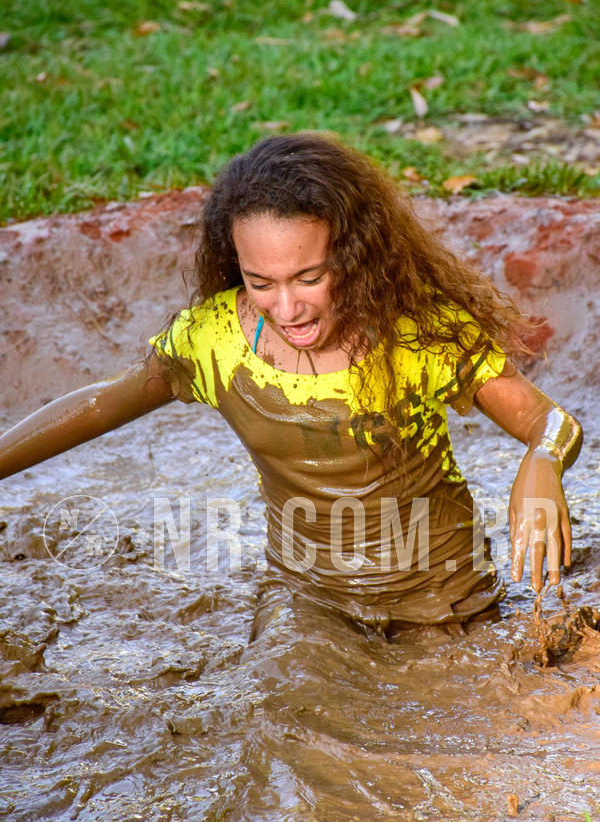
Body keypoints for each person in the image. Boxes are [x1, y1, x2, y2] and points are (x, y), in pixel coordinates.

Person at [0, 133, 582, 639]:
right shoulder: (215, 341)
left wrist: (542, 461)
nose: (287, 308)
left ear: (354, 255)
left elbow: (549, 422)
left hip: (443, 606)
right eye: (261, 282)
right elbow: (104, 404)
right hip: (308, 606)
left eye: (310, 277)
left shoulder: (417, 335)